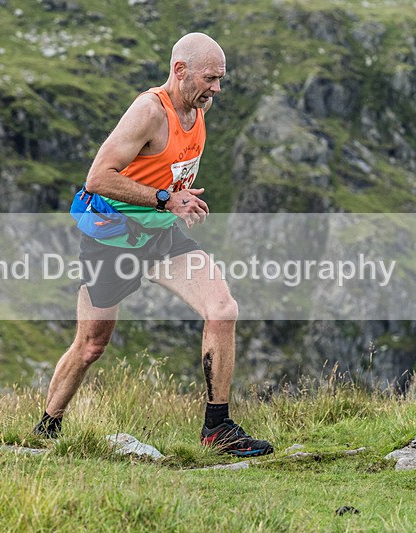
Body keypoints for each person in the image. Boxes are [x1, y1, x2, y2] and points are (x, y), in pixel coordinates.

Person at [34, 32, 274, 457]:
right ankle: (46, 428)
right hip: (110, 240)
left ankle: (217, 429)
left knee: (222, 310)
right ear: (179, 71)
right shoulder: (148, 111)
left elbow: (166, 166)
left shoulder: (200, 105)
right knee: (91, 345)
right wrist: (165, 198)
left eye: (220, 79)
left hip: (160, 235)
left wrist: (178, 198)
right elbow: (98, 178)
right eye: (210, 78)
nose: (217, 89)